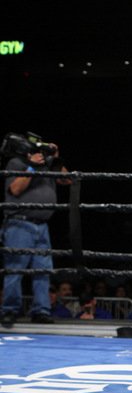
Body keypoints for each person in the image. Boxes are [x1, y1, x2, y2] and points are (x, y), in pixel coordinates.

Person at [1, 134, 70, 326]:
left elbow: (66, 181)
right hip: (19, 223)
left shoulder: (47, 164)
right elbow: (15, 190)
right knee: (15, 269)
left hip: (42, 225)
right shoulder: (16, 163)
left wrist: (55, 158)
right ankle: (10, 311)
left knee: (43, 271)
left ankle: (41, 311)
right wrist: (32, 167)